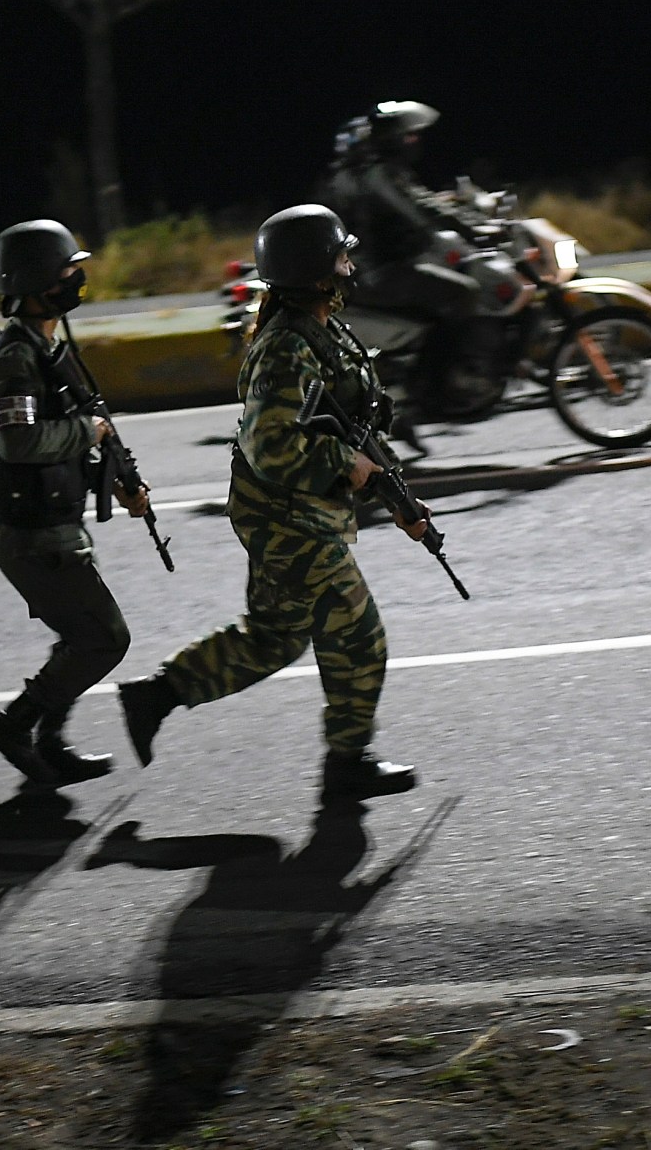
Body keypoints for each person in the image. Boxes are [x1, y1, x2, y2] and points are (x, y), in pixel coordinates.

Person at [117, 204, 425, 804]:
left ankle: (157, 695)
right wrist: (351, 469)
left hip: (300, 509)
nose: (350, 266)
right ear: (314, 271)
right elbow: (271, 445)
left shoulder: (326, 329)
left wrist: (399, 497)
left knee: (274, 637)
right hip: (286, 515)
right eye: (340, 257)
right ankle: (347, 764)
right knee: (359, 634)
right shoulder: (286, 348)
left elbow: (356, 427)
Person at [0, 219, 144, 785]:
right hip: (29, 533)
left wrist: (118, 474)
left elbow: (81, 418)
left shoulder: (47, 348)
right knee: (104, 639)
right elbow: (15, 441)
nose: (78, 278)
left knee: (82, 637)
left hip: (53, 525)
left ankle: (49, 741)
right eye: (68, 270)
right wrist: (86, 436)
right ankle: (13, 727)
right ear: (40, 282)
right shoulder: (15, 359)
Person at [324, 101, 476, 325]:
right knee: (465, 291)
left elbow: (422, 202)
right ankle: (444, 360)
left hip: (369, 267)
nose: (414, 141)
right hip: (378, 271)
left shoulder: (351, 177)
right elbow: (420, 210)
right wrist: (471, 228)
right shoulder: (375, 175)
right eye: (408, 136)